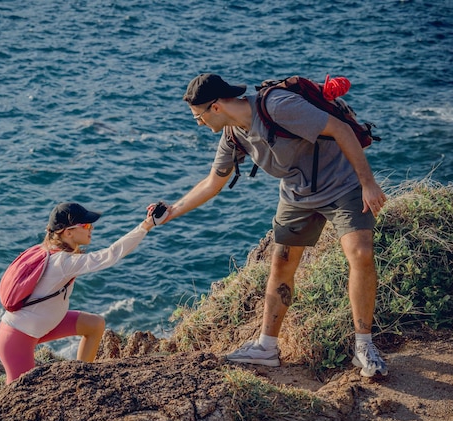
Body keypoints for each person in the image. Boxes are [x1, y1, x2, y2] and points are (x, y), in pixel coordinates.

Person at [165, 73, 388, 377]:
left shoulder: (278, 106)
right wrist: (171, 210)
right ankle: (266, 346)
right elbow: (212, 183)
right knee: (281, 264)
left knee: (360, 254)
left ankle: (364, 347)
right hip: (297, 195)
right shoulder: (233, 134)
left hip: (342, 184)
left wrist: (368, 184)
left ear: (215, 107)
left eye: (199, 116)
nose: (199, 123)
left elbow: (341, 130)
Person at [0, 202, 160, 384]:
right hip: (18, 340)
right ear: (68, 232)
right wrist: (146, 225)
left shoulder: (47, 250)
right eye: (87, 225)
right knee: (20, 397)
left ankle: (81, 378)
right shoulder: (63, 262)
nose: (91, 229)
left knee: (94, 324)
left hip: (36, 328)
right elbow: (111, 255)